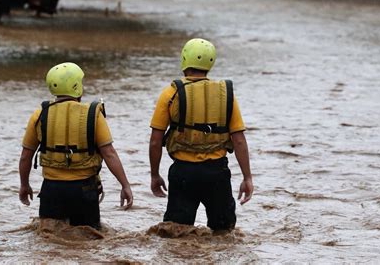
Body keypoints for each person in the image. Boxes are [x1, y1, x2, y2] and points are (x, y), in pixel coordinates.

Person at [149, 38, 254, 232]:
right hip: (217, 175)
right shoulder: (226, 95)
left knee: (175, 234)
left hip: (183, 174)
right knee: (224, 234)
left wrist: (155, 175)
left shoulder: (170, 93)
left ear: (184, 59)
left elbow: (156, 141)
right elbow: (239, 140)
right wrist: (247, 177)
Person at [18, 62, 133, 229]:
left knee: (50, 242)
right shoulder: (93, 114)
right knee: (88, 242)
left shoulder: (40, 114)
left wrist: (24, 185)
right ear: (77, 86)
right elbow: (109, 153)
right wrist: (125, 185)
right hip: (84, 190)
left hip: (52, 190)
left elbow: (25, 157)